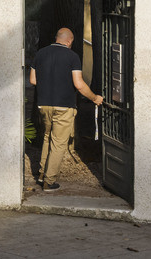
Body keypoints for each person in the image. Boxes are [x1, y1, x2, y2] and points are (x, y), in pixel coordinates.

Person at [29, 26, 105, 192]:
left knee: (48, 138)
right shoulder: (72, 57)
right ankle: (49, 181)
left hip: (44, 105)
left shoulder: (40, 53)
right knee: (59, 143)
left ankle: (42, 174)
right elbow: (79, 84)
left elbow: (33, 80)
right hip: (64, 106)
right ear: (69, 41)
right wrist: (94, 98)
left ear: (57, 37)